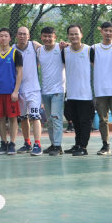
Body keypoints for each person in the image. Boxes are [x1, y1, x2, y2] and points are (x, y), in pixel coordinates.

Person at [0, 28, 23, 155]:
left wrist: (16, 91)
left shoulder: (16, 53)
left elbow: (19, 72)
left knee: (13, 118)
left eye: (6, 36)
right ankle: (4, 143)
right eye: (1, 36)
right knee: (1, 119)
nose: (3, 38)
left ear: (10, 38)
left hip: (10, 92)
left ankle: (12, 143)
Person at [92, 22, 112, 156]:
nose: (108, 33)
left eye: (111, 31)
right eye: (105, 30)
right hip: (100, 90)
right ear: (101, 32)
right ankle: (105, 145)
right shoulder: (94, 48)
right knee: (103, 120)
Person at [62, 25, 93, 156]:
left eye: (76, 33)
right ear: (68, 36)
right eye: (71, 34)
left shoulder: (89, 50)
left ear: (81, 34)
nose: (74, 36)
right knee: (75, 121)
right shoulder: (65, 51)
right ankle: (77, 144)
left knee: (84, 121)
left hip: (85, 94)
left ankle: (83, 147)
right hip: (71, 93)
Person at [13, 27, 44, 156]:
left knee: (35, 117)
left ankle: (38, 144)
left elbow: (47, 50)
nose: (22, 36)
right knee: (23, 118)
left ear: (29, 36)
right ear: (16, 35)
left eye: (25, 34)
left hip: (33, 90)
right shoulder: (12, 49)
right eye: (20, 34)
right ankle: (27, 143)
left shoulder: (34, 45)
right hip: (19, 90)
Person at [37, 27, 66, 156]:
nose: (47, 38)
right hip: (45, 90)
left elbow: (73, 47)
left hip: (58, 90)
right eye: (45, 36)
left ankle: (58, 146)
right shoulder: (39, 51)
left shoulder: (61, 48)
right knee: (49, 119)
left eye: (50, 36)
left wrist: (67, 44)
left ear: (55, 37)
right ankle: (53, 144)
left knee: (56, 117)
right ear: (41, 37)